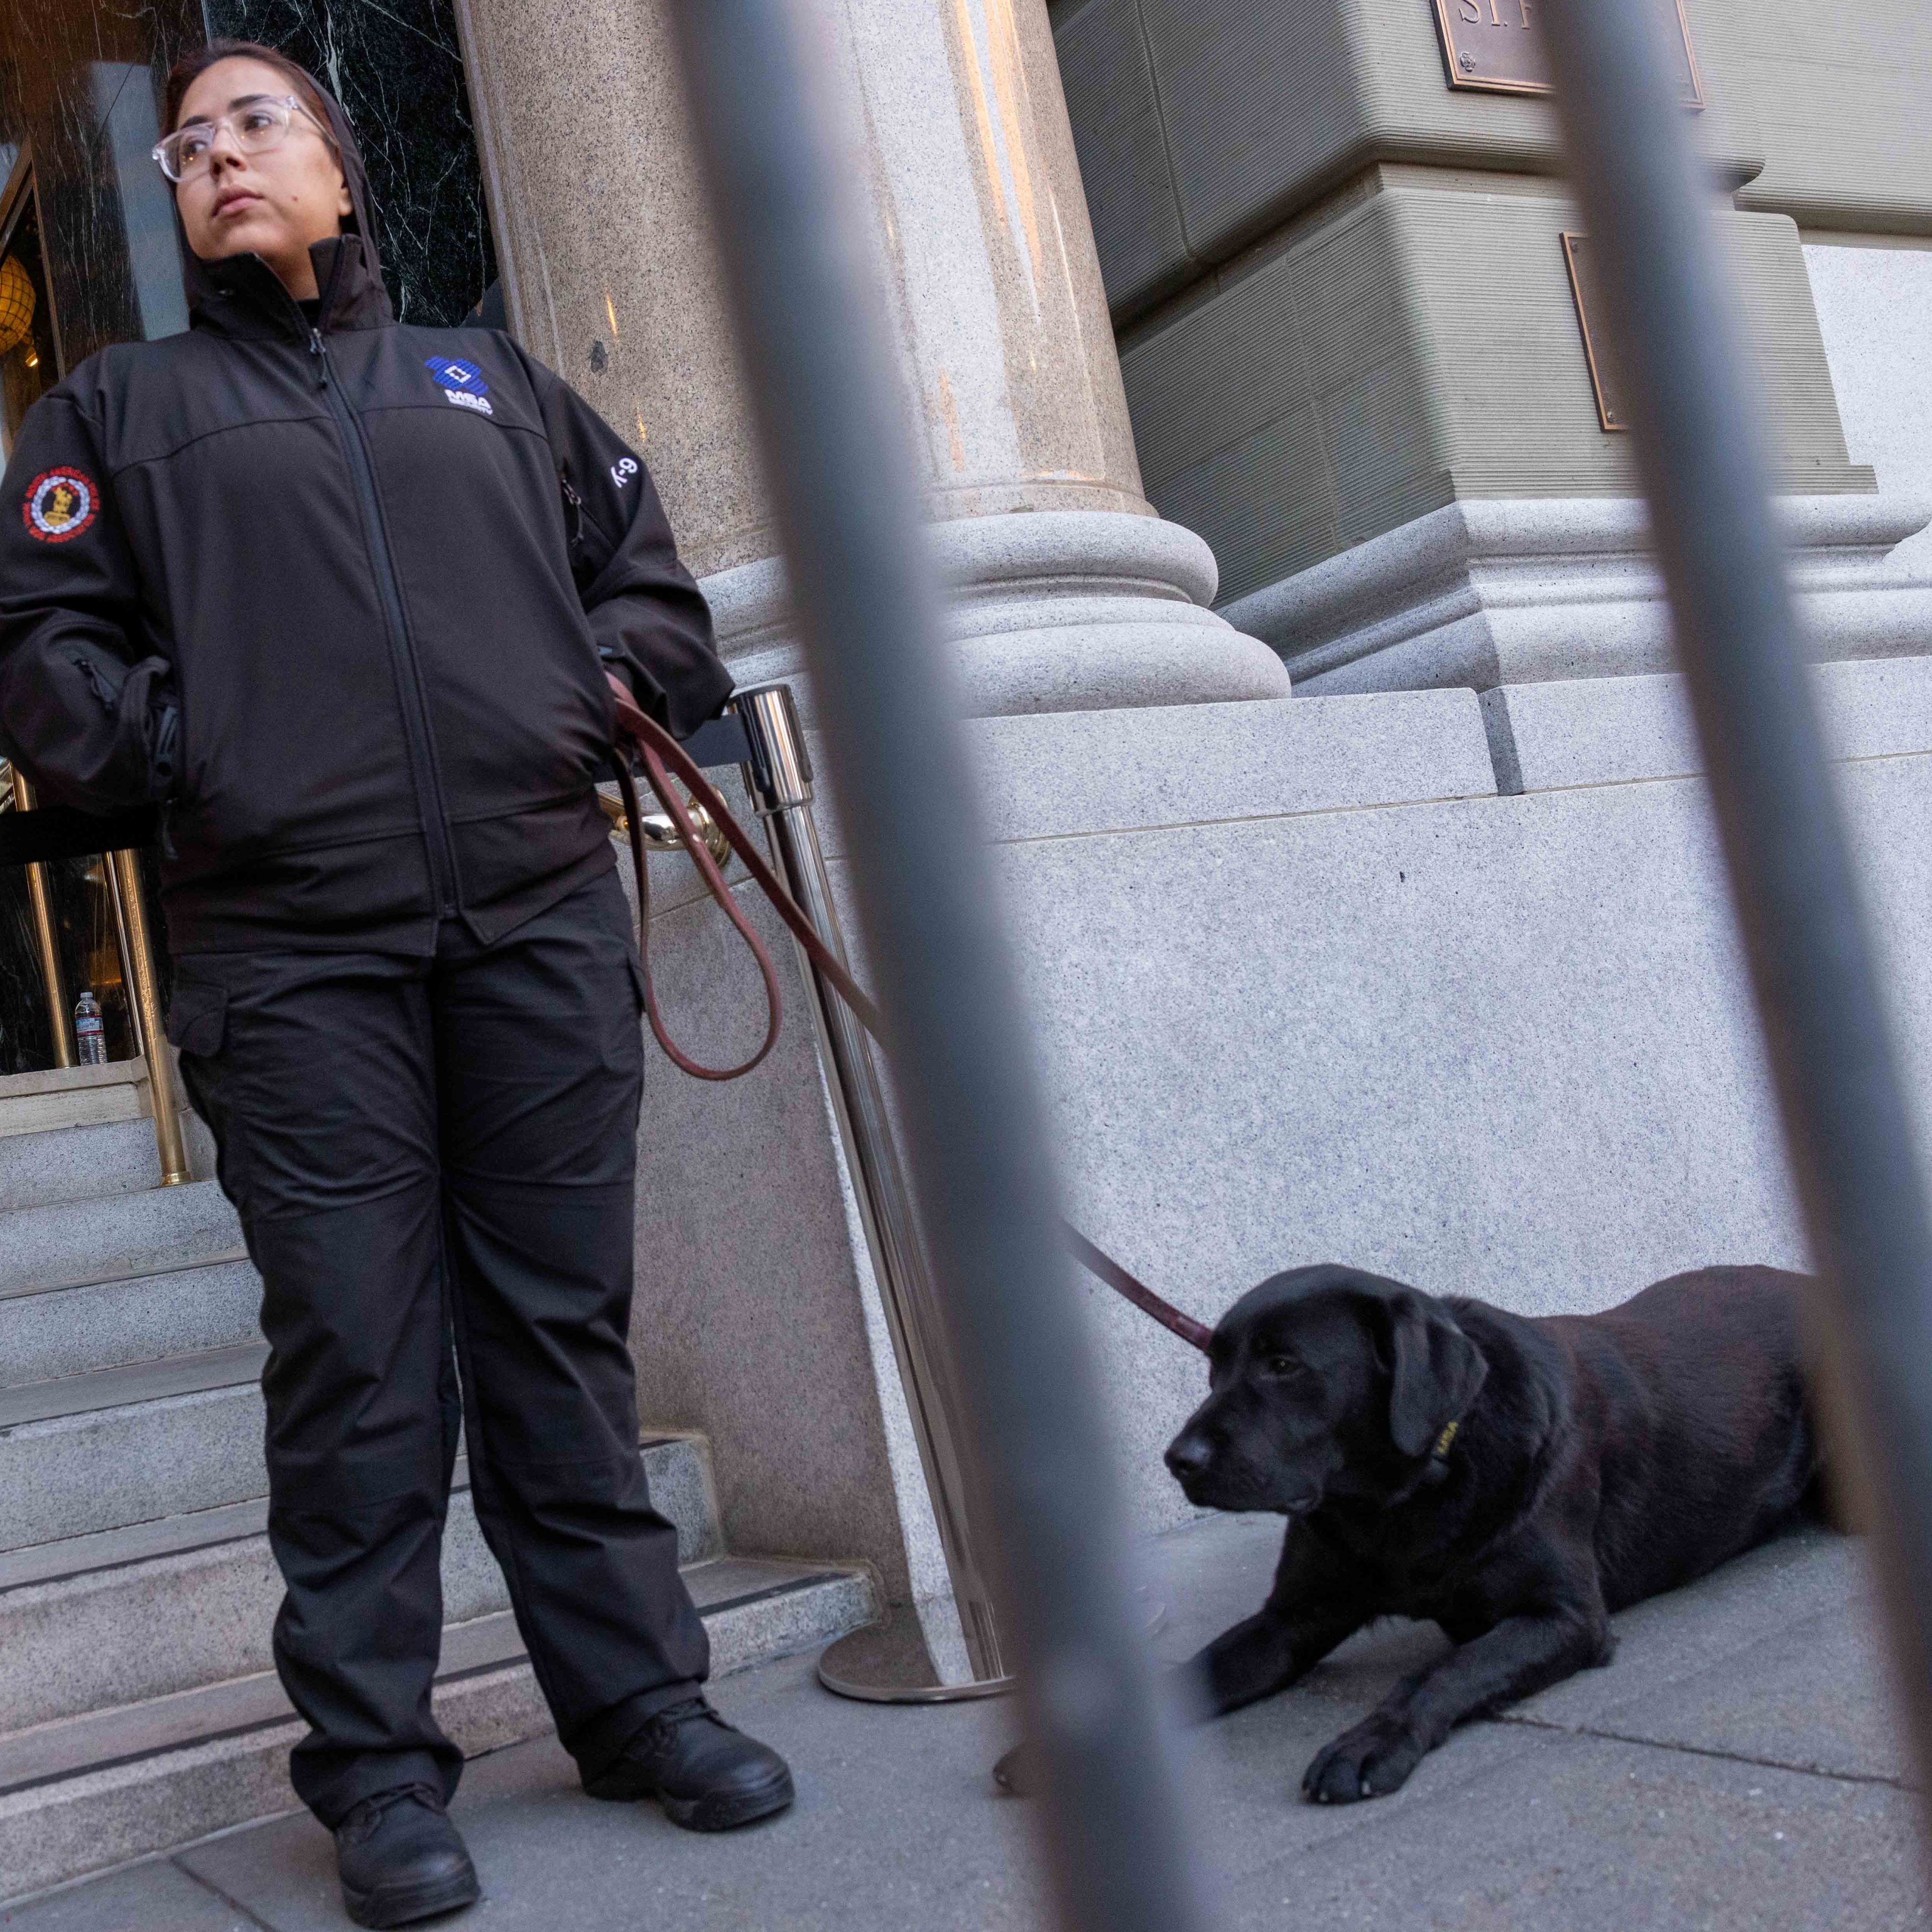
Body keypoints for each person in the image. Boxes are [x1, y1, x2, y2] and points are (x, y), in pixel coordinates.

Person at [0, 41, 792, 1931]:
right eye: (187, 145)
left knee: (558, 1339)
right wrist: (208, 746)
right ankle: (374, 1775)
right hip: (292, 965)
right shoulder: (119, 409)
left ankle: (640, 1706)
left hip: (530, 932)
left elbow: (655, 594)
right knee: (356, 1368)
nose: (217, 159)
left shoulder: (495, 382)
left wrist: (580, 692)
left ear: (344, 171)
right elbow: (43, 659)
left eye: (256, 123)